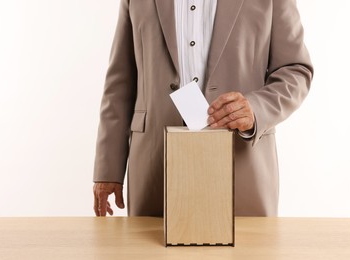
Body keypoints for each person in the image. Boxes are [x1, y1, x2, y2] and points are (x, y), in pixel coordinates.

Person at [93, 0, 313, 217]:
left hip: (243, 165)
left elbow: (295, 69)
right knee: (154, 252)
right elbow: (120, 83)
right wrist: (108, 168)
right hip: (154, 166)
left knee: (244, 252)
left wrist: (255, 109)